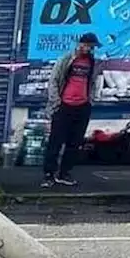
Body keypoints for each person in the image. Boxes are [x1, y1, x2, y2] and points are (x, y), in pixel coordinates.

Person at [43, 32, 99, 188]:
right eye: (87, 46)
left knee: (74, 143)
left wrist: (90, 100)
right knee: (55, 141)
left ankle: (64, 173)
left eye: (92, 47)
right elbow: (54, 80)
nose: (89, 50)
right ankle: (49, 174)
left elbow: (93, 82)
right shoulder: (67, 59)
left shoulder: (92, 63)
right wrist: (56, 101)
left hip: (82, 107)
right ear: (80, 44)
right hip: (64, 106)